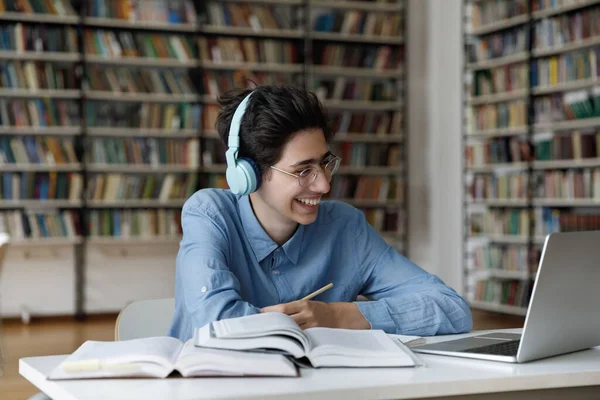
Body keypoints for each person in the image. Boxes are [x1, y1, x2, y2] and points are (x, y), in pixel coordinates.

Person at [169, 85, 472, 341]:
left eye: (325, 164)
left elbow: (452, 308)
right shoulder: (209, 214)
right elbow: (213, 324)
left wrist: (339, 315)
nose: (324, 185)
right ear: (247, 173)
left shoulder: (345, 227)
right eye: (303, 171)